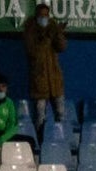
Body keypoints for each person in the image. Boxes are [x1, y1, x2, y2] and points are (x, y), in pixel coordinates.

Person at [23, 2, 67, 136]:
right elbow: (34, 53)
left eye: (46, 15)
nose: (44, 18)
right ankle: (39, 141)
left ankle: (61, 138)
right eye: (41, 15)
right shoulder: (30, 31)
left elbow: (62, 47)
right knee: (40, 116)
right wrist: (48, 36)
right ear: (36, 16)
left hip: (55, 80)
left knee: (60, 113)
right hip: (39, 81)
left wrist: (58, 33)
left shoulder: (53, 28)